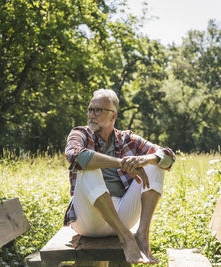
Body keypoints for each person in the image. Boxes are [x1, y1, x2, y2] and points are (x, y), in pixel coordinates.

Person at [64, 89, 175, 264]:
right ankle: (126, 238)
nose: (92, 115)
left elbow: (168, 157)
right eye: (90, 109)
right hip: (88, 221)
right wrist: (121, 163)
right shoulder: (80, 133)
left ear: (113, 116)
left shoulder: (127, 138)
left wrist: (145, 159)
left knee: (156, 164)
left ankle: (142, 235)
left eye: (98, 110)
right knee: (87, 165)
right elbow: (75, 155)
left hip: (123, 215)